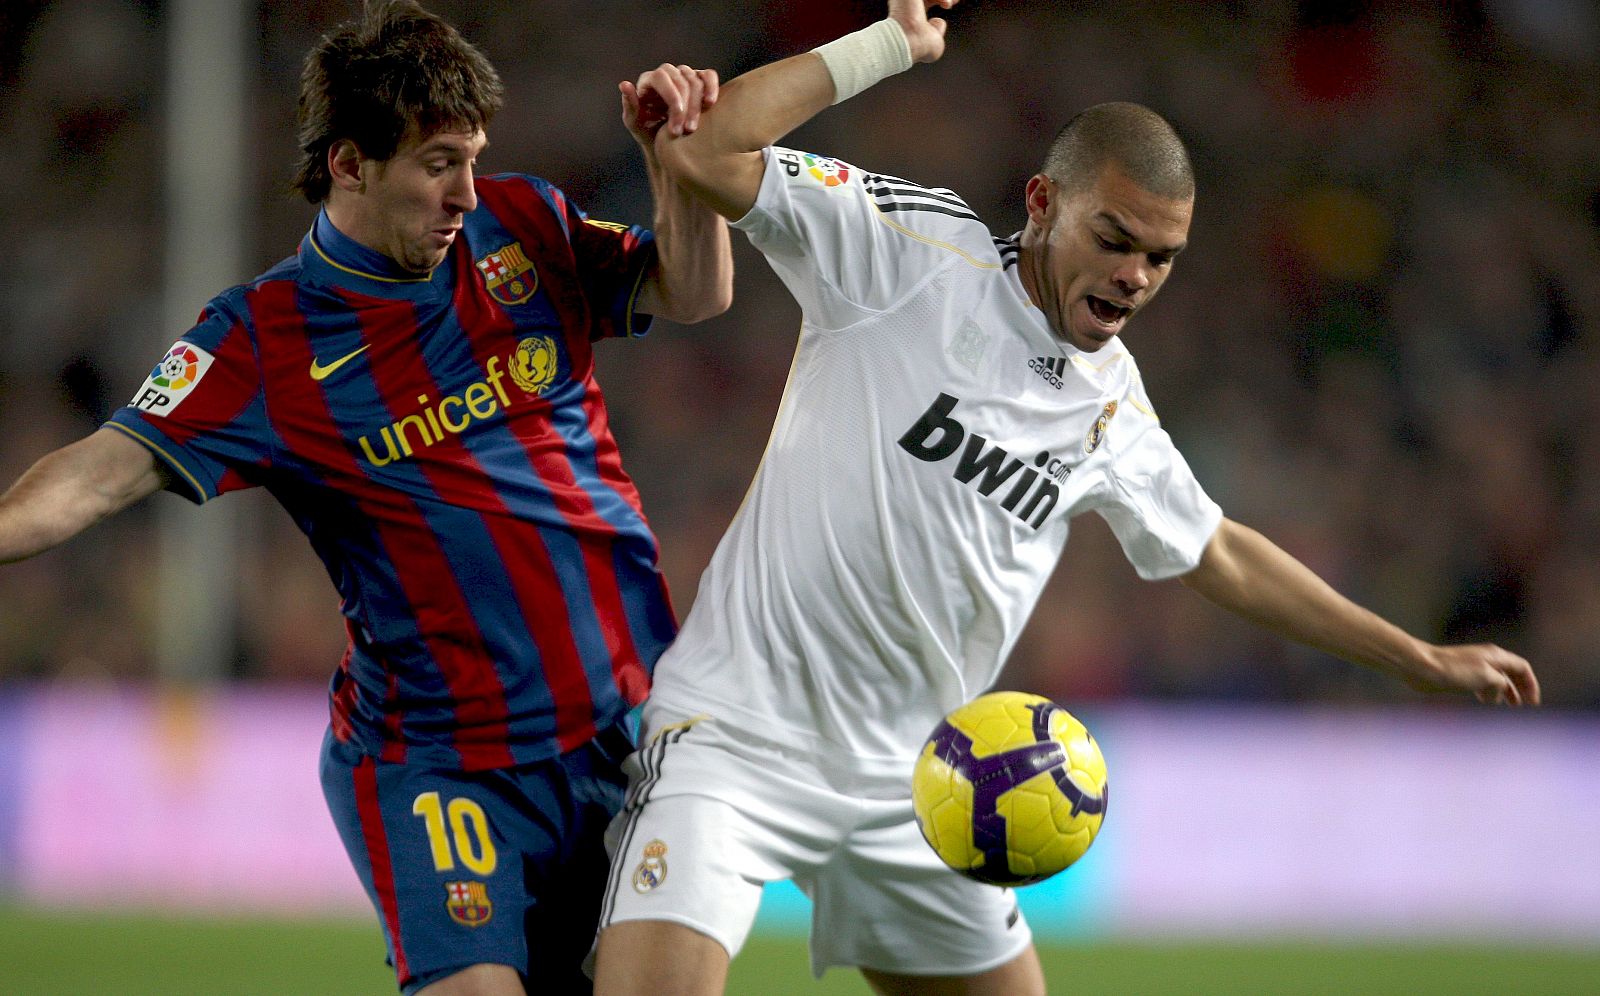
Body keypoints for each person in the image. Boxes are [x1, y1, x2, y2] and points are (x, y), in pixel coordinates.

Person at [591, 2, 1541, 994]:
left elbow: (1216, 550)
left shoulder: (1111, 405)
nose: (1134, 276)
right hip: (738, 741)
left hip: (923, 784)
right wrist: (891, 45)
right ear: (1042, 203)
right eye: (1115, 238)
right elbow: (706, 149)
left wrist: (1415, 655)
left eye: (1160, 258)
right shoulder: (907, 253)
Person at [0, 3, 730, 994]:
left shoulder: (525, 225)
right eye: (437, 164)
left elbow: (692, 293)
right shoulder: (259, 342)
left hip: (628, 731)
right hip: (441, 761)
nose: (466, 193)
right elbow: (95, 472)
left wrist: (675, 174)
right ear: (349, 164)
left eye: (472, 158)